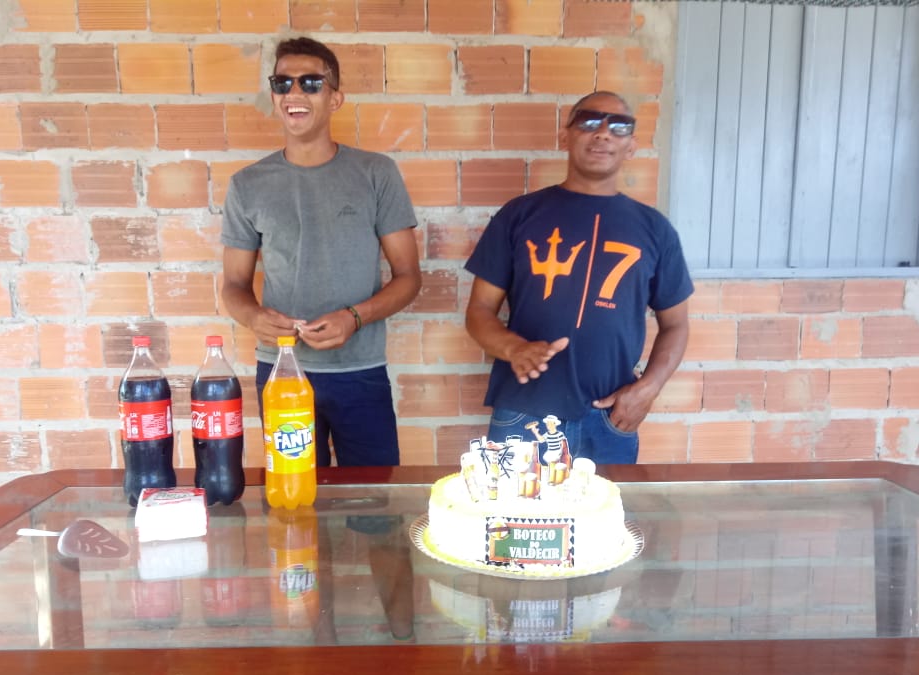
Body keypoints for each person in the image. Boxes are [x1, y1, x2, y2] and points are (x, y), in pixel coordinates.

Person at [220, 37, 420, 467]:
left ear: (335, 98)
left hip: (359, 370)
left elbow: (409, 277)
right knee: (293, 494)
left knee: (373, 499)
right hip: (282, 370)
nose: (294, 92)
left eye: (310, 83)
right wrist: (253, 317)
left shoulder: (376, 173)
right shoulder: (247, 185)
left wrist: (355, 317)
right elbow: (234, 285)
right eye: (282, 83)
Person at [464, 91, 693, 464]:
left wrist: (647, 389)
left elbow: (677, 324)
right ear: (565, 136)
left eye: (619, 126)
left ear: (631, 146)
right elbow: (479, 311)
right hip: (525, 412)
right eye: (589, 121)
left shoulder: (654, 229)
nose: (603, 133)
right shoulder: (519, 215)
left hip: (610, 416)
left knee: (605, 506)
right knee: (515, 506)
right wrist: (513, 348)